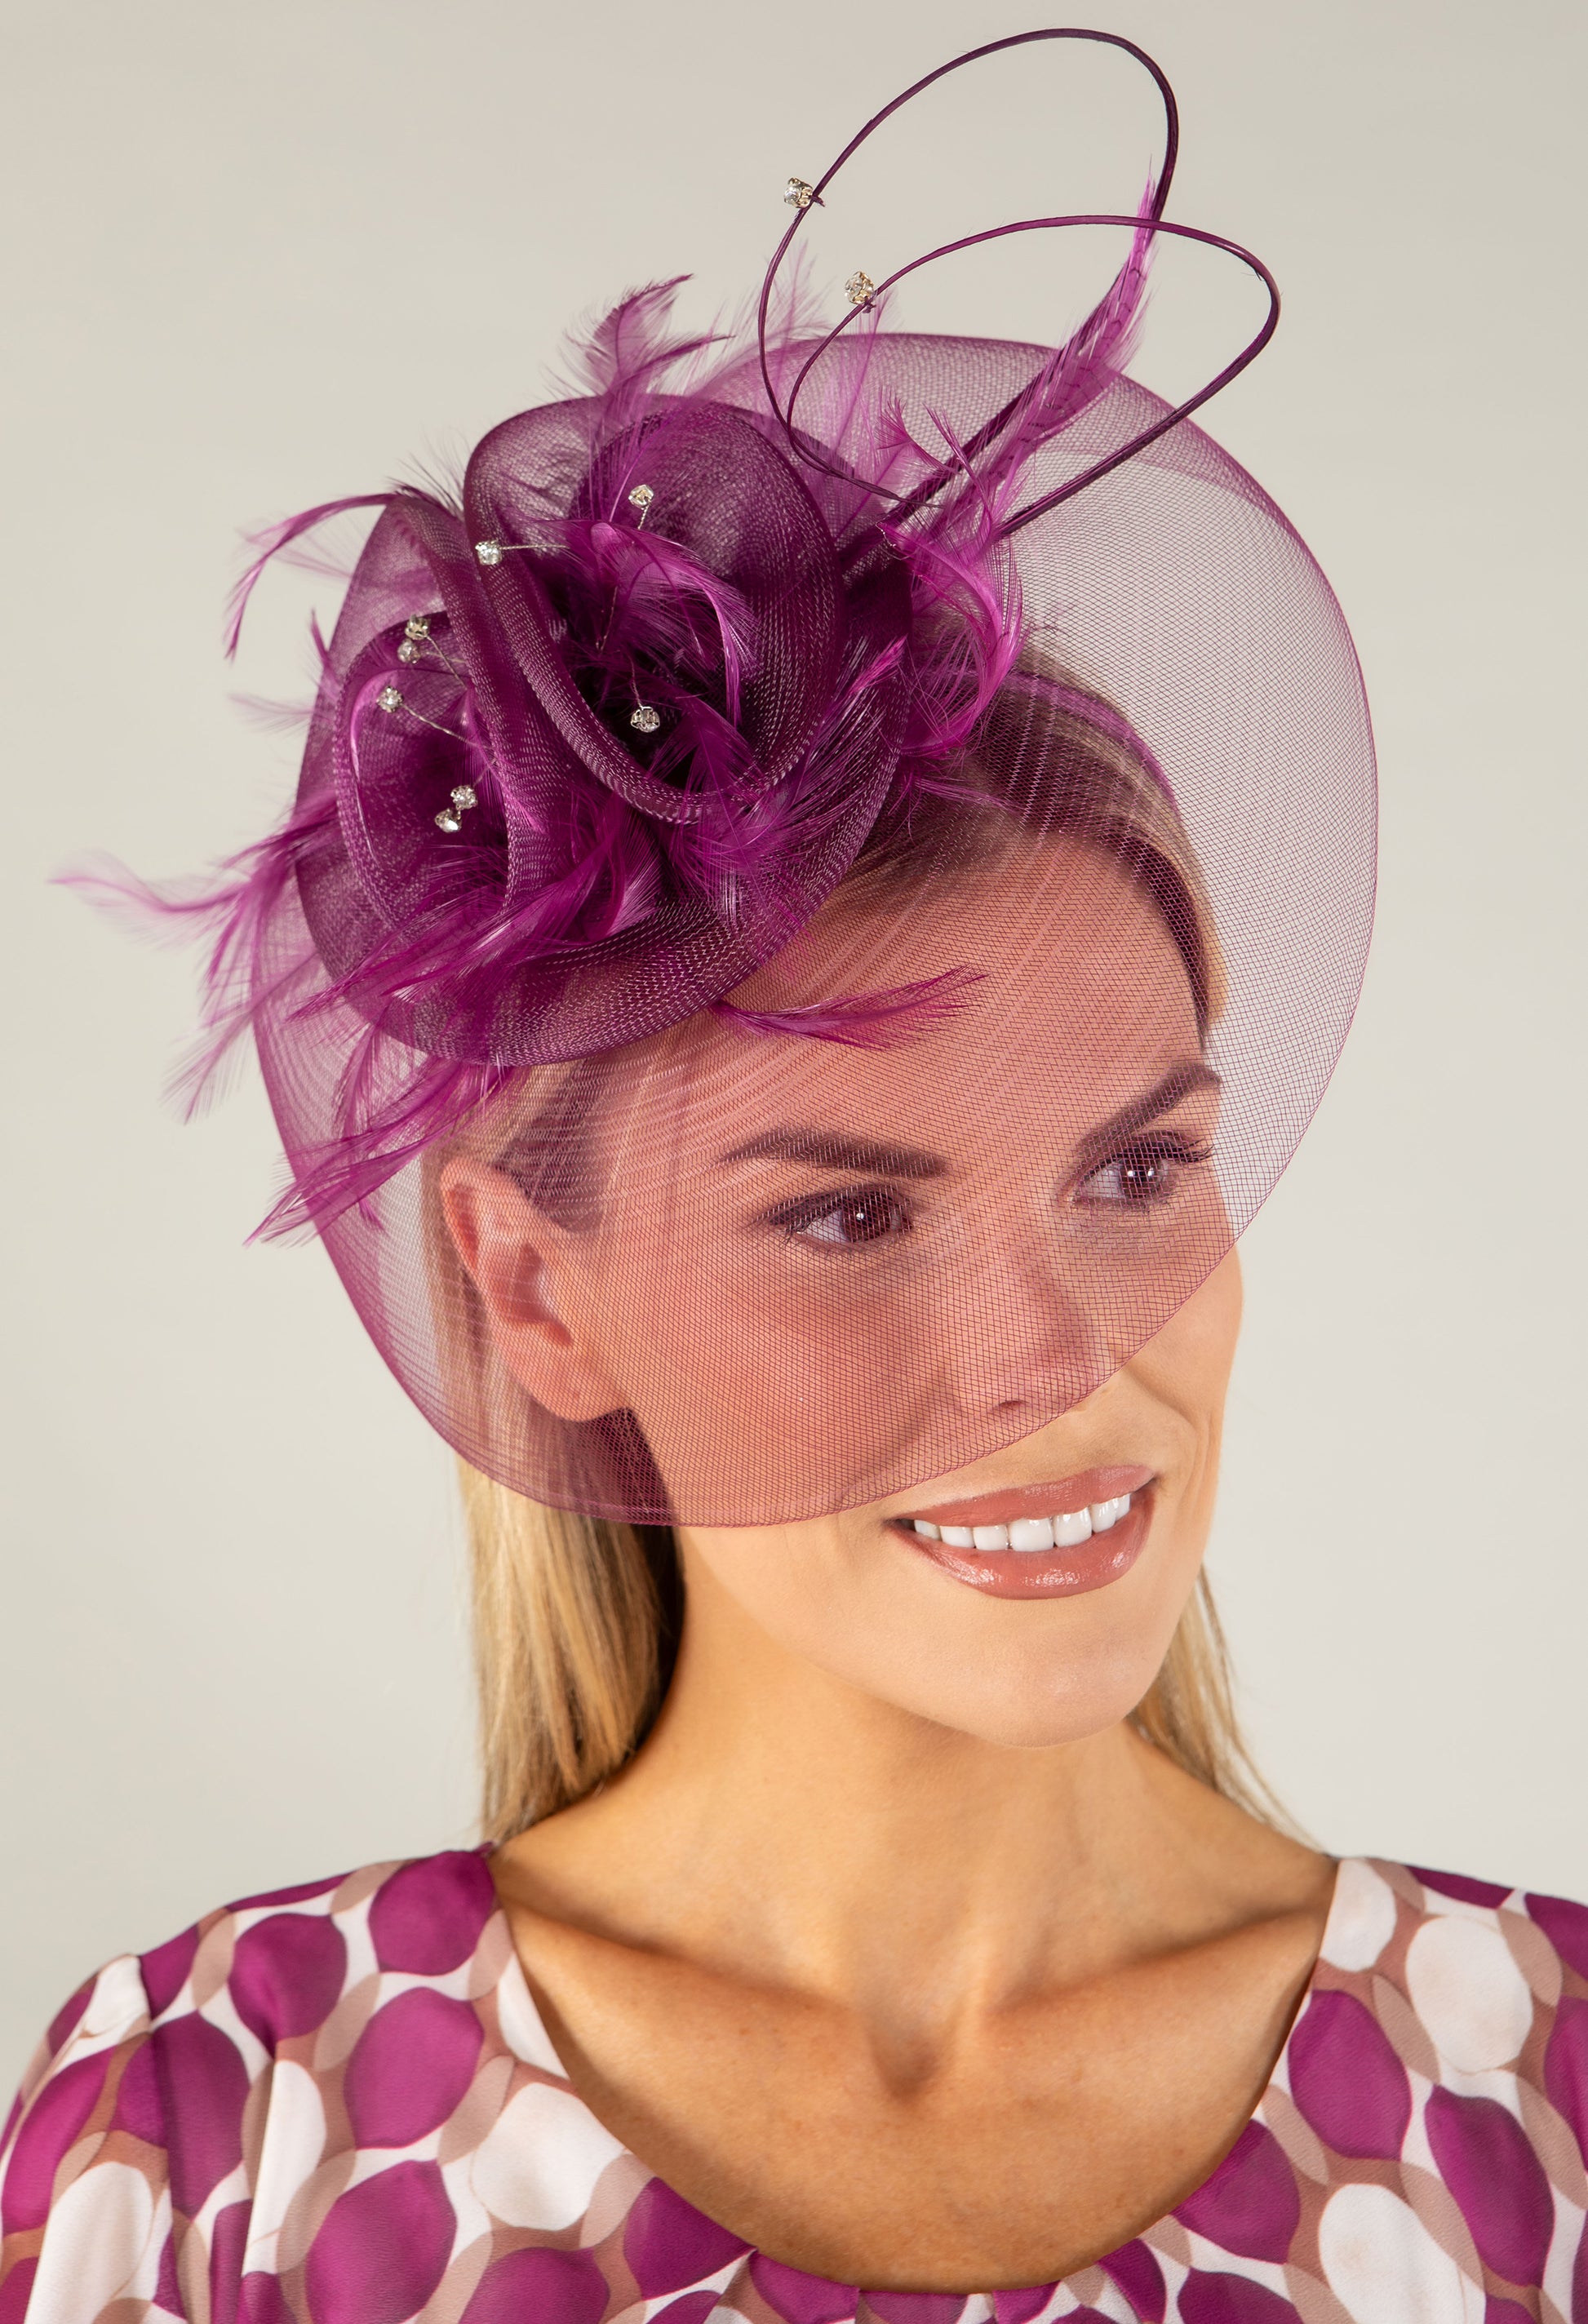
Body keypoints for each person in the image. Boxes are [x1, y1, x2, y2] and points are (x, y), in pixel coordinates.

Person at [5, 30, 1583, 2322]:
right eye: (849, 1214)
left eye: (1135, 1172)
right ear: (532, 1290)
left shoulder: (1543, 2104)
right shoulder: (221, 2129)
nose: (1060, 1361)